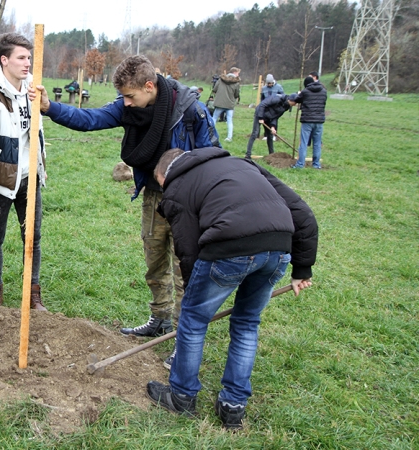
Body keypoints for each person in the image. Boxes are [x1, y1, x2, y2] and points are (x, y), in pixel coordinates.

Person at [35, 55, 220, 367]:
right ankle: (159, 317)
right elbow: (90, 119)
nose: (126, 103)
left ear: (149, 86)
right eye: (123, 97)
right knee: (155, 259)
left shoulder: (189, 110)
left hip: (188, 202)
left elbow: (213, 155)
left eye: (131, 96)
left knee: (183, 269)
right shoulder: (129, 106)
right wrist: (50, 108)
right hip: (154, 194)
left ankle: (182, 340)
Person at [146, 147, 318, 429]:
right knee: (247, 323)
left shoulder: (177, 185)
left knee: (193, 321)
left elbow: (187, 249)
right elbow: (302, 212)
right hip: (278, 249)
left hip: (229, 249)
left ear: (164, 174)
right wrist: (302, 269)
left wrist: (193, 297)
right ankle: (233, 406)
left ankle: (181, 396)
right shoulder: (243, 164)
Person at [0, 33, 48, 311]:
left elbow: (38, 125)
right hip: (1, 177)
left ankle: (33, 294)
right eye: (21, 58)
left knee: (33, 236)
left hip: (30, 177)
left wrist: (43, 99)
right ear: (4, 60)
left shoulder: (32, 89)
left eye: (29, 57)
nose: (27, 63)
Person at [245, 93, 298, 159]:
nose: (295, 104)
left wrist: (273, 126)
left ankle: (272, 155)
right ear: (291, 100)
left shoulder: (286, 106)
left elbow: (276, 116)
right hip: (260, 113)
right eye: (295, 103)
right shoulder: (277, 99)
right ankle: (248, 154)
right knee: (255, 133)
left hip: (269, 117)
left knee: (270, 135)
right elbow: (262, 105)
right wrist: (261, 117)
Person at [292, 76, 327, 169]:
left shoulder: (305, 91)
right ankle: (316, 164)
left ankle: (300, 164)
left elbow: (297, 99)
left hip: (307, 120)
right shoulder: (323, 91)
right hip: (319, 121)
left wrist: (299, 94)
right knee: (317, 143)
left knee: (303, 142)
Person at [211, 67, 241, 142]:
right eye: (237, 73)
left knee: (214, 118)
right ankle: (229, 137)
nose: (238, 74)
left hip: (220, 103)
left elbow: (214, 89)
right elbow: (237, 94)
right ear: (234, 72)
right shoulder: (236, 83)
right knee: (229, 121)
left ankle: (210, 134)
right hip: (230, 104)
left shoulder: (221, 80)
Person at [260, 74, 285, 142]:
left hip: (275, 108)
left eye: (270, 83)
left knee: (274, 121)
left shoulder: (279, 87)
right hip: (266, 107)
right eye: (268, 83)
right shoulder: (264, 88)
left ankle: (274, 135)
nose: (269, 84)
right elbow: (262, 98)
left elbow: (283, 96)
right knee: (265, 121)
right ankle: (266, 135)